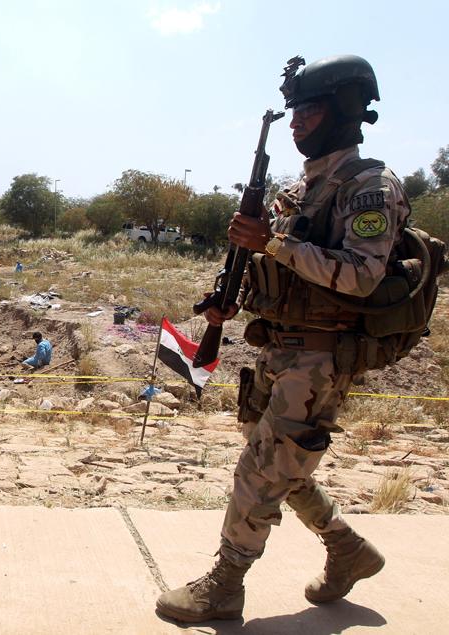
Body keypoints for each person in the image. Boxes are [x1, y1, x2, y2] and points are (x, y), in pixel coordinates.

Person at [156, 55, 399, 624]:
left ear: (342, 111)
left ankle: (225, 584)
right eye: (294, 114)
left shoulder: (370, 187)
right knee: (277, 462)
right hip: (279, 346)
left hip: (321, 354)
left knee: (261, 469)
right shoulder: (297, 190)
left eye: (309, 112)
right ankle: (347, 548)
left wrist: (274, 244)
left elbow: (362, 275)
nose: (296, 125)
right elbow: (266, 264)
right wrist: (229, 300)